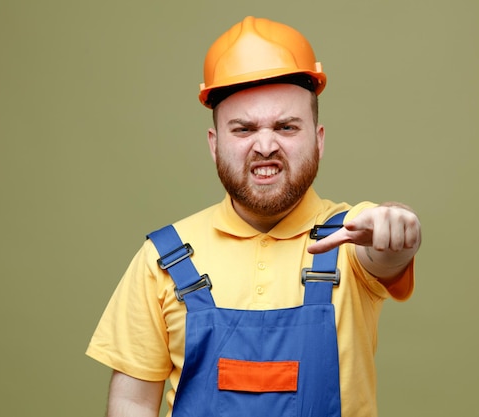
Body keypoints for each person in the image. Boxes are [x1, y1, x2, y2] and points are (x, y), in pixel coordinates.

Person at [86, 16, 421, 417]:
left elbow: (386, 249)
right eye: (243, 129)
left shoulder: (351, 238)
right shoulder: (162, 260)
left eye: (286, 126)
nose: (265, 145)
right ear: (215, 145)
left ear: (318, 139)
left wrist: (398, 227)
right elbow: (131, 404)